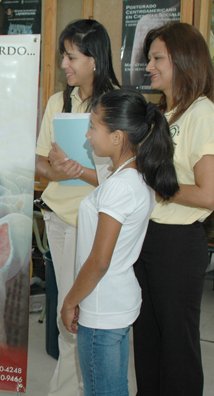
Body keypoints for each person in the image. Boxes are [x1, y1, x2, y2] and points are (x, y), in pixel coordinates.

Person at [61, 89, 179, 396]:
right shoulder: (130, 175)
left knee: (104, 390)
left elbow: (99, 261)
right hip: (113, 301)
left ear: (117, 137)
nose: (88, 135)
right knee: (113, 387)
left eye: (93, 127)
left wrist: (71, 300)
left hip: (103, 306)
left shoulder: (121, 187)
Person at [35, 19, 120, 396]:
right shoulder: (58, 101)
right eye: (64, 56)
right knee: (68, 315)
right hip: (58, 219)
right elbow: (39, 163)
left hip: (95, 223)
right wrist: (56, 169)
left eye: (72, 57)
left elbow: (126, 178)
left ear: (95, 60)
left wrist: (79, 170)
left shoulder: (117, 104)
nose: (65, 64)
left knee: (77, 316)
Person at [133, 22, 214, 396]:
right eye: (149, 57)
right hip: (146, 236)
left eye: (157, 57)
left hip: (178, 244)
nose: (149, 65)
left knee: (176, 345)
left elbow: (207, 194)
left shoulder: (202, 113)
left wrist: (157, 185)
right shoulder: (162, 113)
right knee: (146, 339)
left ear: (183, 59)